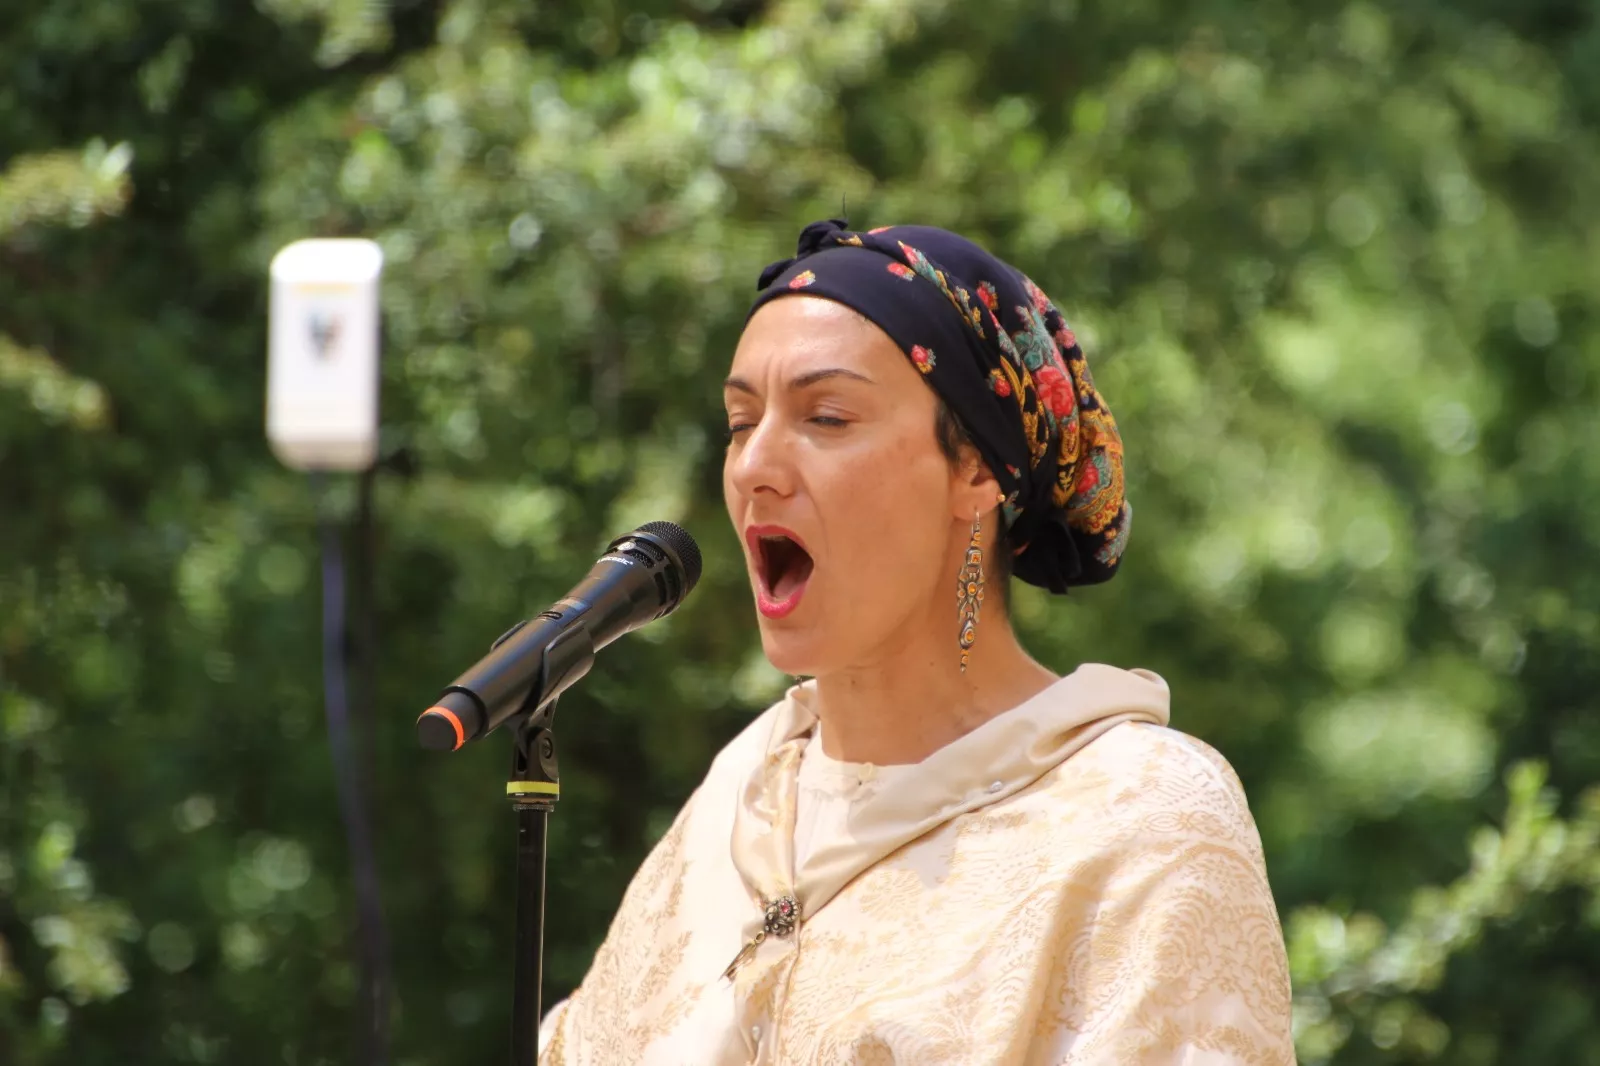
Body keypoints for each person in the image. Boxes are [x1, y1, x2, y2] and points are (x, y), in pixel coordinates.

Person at [538, 220, 1294, 1064]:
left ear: (976, 469)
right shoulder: (744, 791)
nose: (755, 466)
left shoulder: (1139, 820)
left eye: (826, 416)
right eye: (741, 422)